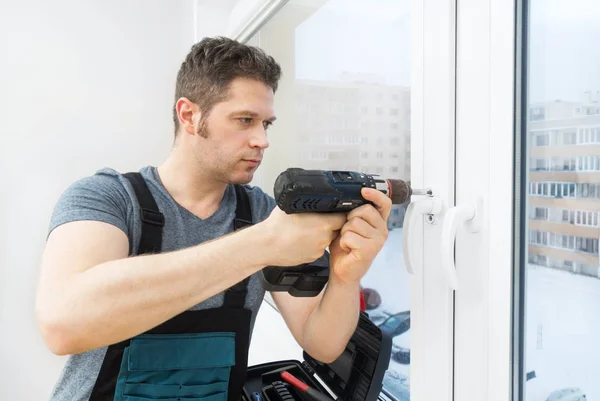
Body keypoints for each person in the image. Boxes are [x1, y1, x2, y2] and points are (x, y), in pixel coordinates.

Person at [35, 36, 391, 401]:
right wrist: (261, 244)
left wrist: (347, 279)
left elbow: (323, 345)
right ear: (189, 115)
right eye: (244, 120)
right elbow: (63, 324)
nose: (261, 140)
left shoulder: (263, 214)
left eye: (266, 124)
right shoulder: (107, 198)